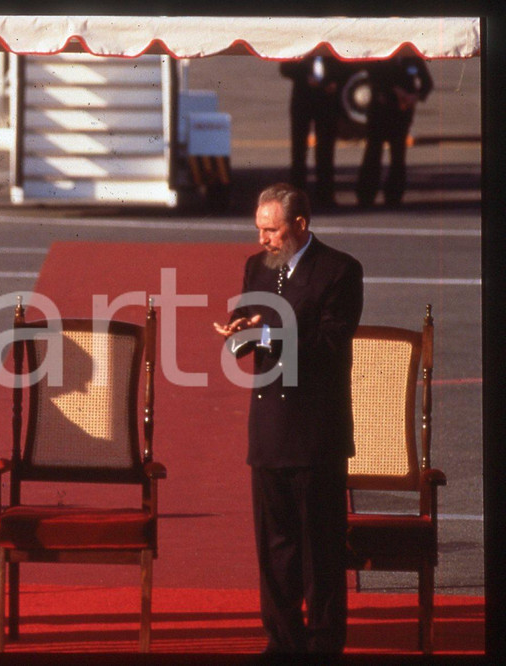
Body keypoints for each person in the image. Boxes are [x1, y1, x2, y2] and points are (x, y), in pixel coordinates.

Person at [214, 183, 363, 653]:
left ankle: (323, 646)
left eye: (272, 231)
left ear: (300, 224)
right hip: (270, 431)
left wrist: (268, 334)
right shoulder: (256, 267)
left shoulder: (340, 270)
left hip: (316, 433)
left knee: (320, 551)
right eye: (259, 229)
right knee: (274, 549)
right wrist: (238, 332)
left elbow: (331, 343)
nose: (263, 239)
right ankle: (281, 642)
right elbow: (249, 324)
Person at [356, 54, 433, 208]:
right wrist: (395, 90)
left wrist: (415, 96)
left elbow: (427, 83)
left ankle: (394, 196)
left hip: (401, 113)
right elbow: (373, 75)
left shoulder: (412, 58)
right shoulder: (383, 53)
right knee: (373, 153)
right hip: (380, 112)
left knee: (398, 155)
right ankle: (366, 195)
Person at [280, 55, 348, 208]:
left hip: (327, 100)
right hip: (303, 100)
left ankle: (325, 195)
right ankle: (296, 196)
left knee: (326, 150)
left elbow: (345, 66)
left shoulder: (330, 49)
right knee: (299, 151)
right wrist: (305, 77)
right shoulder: (300, 47)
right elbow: (285, 68)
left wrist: (334, 81)